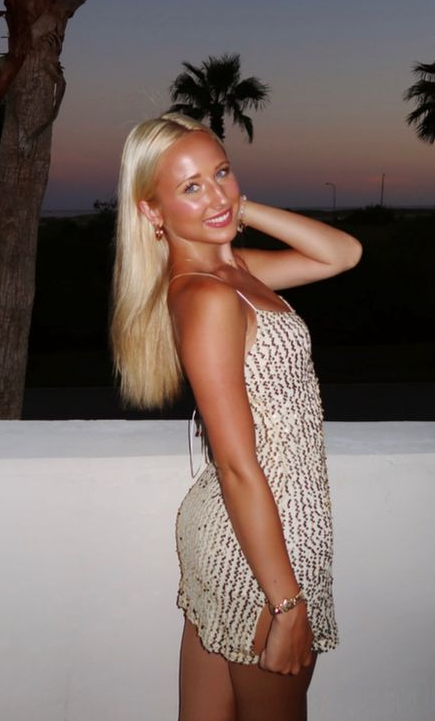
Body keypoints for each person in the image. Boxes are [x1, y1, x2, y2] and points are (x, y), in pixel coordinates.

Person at [111, 113, 362, 721]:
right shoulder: (208, 296)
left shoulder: (235, 272)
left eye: (221, 173)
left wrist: (236, 211)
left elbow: (342, 254)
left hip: (240, 528)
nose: (216, 194)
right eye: (190, 187)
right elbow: (235, 462)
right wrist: (285, 603)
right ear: (152, 211)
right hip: (262, 545)